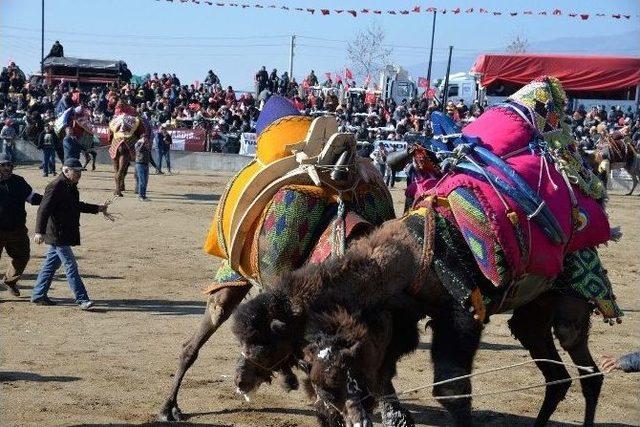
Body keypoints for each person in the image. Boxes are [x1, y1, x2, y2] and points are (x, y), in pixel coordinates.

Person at [31, 158, 109, 309]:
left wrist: (97, 208)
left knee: (50, 265)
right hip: (57, 233)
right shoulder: (56, 186)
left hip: (64, 232)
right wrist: (39, 232)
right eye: (76, 171)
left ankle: (38, 294)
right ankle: (82, 299)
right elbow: (43, 209)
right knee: (70, 266)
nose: (79, 174)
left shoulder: (70, 185)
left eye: (80, 171)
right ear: (65, 170)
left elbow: (75, 206)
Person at [0, 153, 42, 297]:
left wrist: (48, 199)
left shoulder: (18, 181)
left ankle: (10, 281)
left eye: (9, 165)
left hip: (16, 229)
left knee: (23, 256)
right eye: (3, 165)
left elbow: (31, 198)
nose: (6, 168)